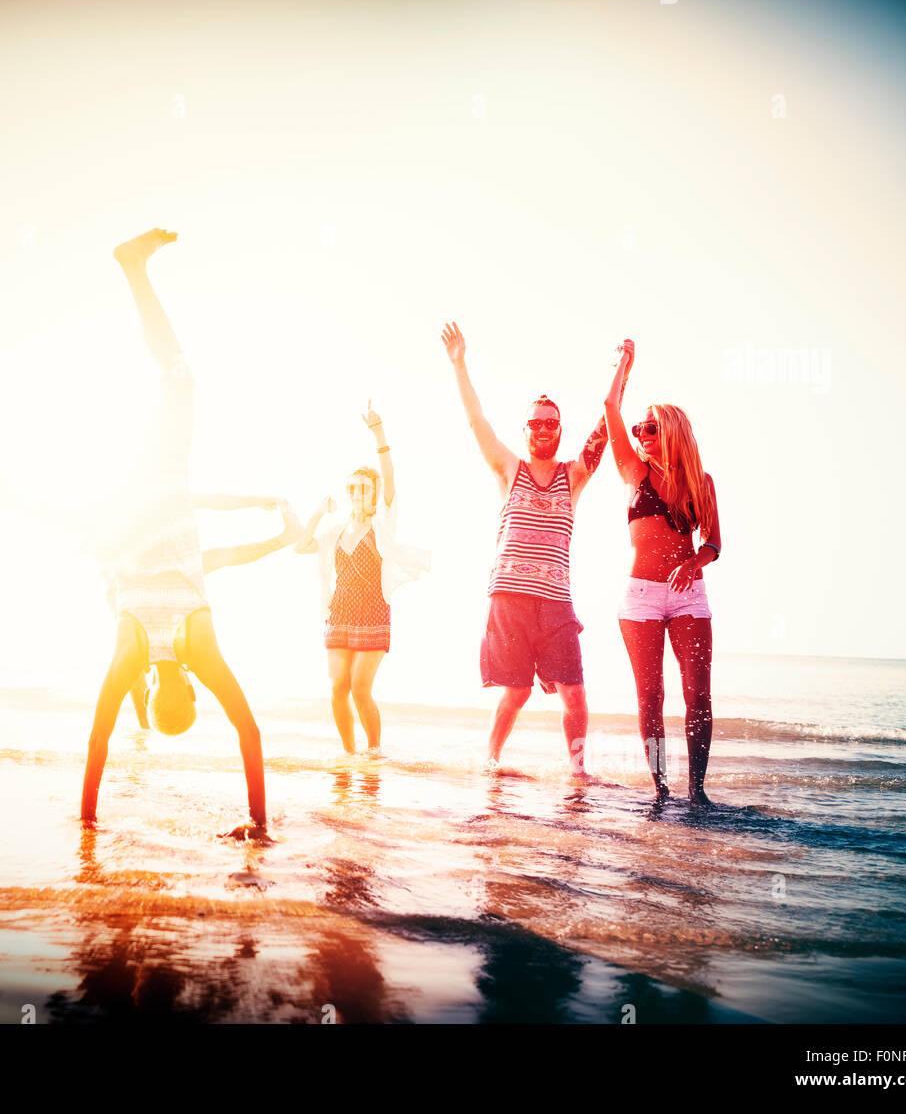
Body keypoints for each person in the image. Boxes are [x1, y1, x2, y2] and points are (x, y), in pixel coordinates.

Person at [80, 228, 289, 840]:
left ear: (192, 696)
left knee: (179, 382)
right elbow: (97, 737)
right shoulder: (133, 655)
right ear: (153, 694)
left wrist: (260, 824)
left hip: (162, 491)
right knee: (168, 388)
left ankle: (133, 271)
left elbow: (249, 732)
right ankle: (131, 271)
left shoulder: (199, 649)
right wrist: (87, 823)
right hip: (128, 501)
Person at [441, 321, 628, 774]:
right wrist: (459, 363)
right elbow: (475, 420)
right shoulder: (509, 470)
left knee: (575, 693)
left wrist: (622, 370)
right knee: (518, 691)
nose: (543, 428)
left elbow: (605, 424)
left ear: (559, 429)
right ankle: (490, 760)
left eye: (551, 423)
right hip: (509, 598)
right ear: (526, 429)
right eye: (536, 422)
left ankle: (578, 770)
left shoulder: (574, 475)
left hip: (556, 603)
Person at [603, 343, 720, 805]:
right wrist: (623, 366)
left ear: (670, 430)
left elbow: (713, 542)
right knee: (651, 699)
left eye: (649, 428)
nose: (640, 434)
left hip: (689, 596)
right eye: (638, 429)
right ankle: (661, 791)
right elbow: (610, 406)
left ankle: (697, 793)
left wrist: (693, 563)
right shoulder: (634, 471)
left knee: (698, 697)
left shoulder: (701, 482)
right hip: (640, 599)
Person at [293, 403, 429, 753]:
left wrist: (379, 433)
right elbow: (302, 545)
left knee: (359, 688)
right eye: (352, 488)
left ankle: (373, 751)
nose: (357, 494)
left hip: (373, 608)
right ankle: (349, 755)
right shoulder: (335, 532)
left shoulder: (382, 526)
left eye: (364, 489)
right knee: (338, 686)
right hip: (339, 609)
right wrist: (318, 512)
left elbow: (391, 480)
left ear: (372, 494)